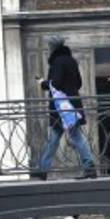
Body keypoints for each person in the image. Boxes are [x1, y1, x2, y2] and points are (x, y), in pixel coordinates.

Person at [37, 35, 97, 180]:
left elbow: (55, 83)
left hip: (63, 107)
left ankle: (89, 167)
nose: (48, 48)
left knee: (73, 137)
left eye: (49, 46)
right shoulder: (71, 61)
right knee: (56, 138)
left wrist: (43, 83)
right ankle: (43, 169)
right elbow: (79, 83)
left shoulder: (57, 62)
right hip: (72, 104)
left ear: (53, 48)